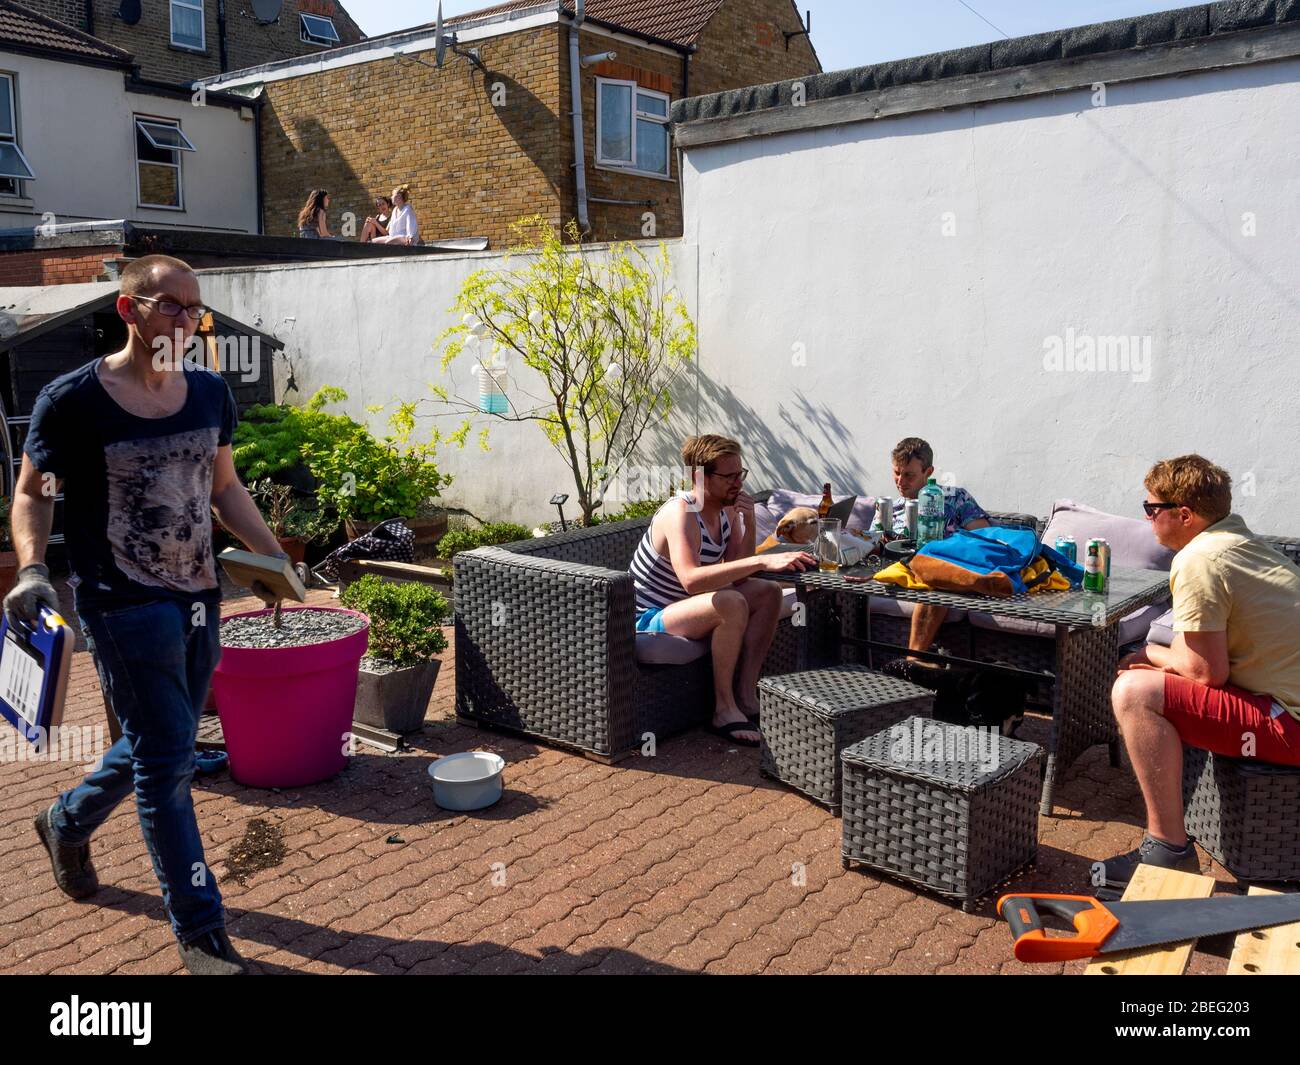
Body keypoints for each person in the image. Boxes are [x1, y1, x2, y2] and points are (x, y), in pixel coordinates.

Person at [7, 254, 301, 975]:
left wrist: (275, 563)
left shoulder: (207, 392)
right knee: (168, 759)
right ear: (128, 309)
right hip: (120, 601)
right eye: (170, 305)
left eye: (194, 310)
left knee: (156, 739)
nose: (187, 322)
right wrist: (35, 568)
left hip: (199, 594)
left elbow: (225, 489)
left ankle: (65, 820)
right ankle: (200, 931)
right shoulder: (71, 400)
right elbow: (33, 492)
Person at [1100, 455, 1300, 889]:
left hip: (1291, 724)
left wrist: (1151, 654)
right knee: (1158, 679)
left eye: (1152, 509)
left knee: (1136, 692)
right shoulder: (1244, 544)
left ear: (1184, 515)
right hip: (1285, 703)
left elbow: (1206, 672)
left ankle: (1167, 850)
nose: (1147, 518)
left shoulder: (1199, 560)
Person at [628, 435, 814, 746]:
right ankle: (723, 710)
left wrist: (749, 520)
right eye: (728, 476)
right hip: (647, 617)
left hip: (687, 606)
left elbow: (738, 571)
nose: (737, 484)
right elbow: (691, 580)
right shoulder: (681, 513)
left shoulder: (727, 510)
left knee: (767, 592)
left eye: (740, 474)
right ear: (699, 476)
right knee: (730, 602)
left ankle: (746, 695)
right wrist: (763, 560)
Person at [887, 437, 990, 652]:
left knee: (937, 583)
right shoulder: (892, 508)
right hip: (900, 572)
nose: (900, 481)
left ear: (929, 472)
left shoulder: (955, 498)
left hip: (940, 572)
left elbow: (984, 537)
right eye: (896, 473)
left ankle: (913, 659)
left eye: (909, 475)